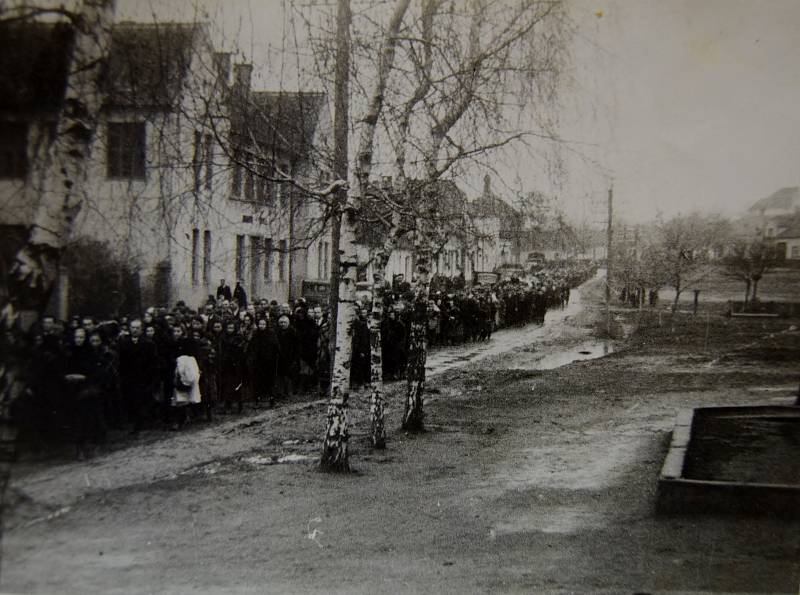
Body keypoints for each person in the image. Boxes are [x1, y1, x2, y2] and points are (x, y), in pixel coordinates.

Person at [117, 319, 159, 434]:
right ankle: (135, 423)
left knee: (144, 400)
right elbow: (121, 361)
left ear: (141, 329)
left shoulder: (149, 343)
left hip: (144, 377)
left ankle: (144, 423)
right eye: (132, 328)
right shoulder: (124, 342)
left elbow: (154, 362)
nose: (134, 330)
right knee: (132, 400)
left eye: (137, 328)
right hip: (129, 377)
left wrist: (151, 378)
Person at [247, 317, 280, 406]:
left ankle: (272, 400)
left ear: (267, 325)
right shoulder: (255, 335)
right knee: (258, 382)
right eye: (260, 324)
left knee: (270, 382)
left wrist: (274, 357)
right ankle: (257, 401)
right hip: (258, 363)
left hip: (269, 363)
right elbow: (251, 348)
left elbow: (276, 348)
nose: (261, 326)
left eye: (263, 324)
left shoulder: (271, 334)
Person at [275, 315, 300, 401]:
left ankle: (290, 394)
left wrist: (295, 358)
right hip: (280, 357)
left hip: (291, 357)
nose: (282, 324)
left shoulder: (293, 332)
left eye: (284, 322)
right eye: (281, 322)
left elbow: (297, 347)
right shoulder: (277, 332)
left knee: (289, 376)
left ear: (288, 323)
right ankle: (281, 394)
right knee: (280, 376)